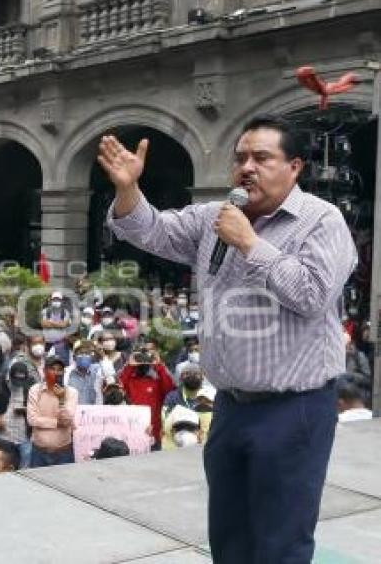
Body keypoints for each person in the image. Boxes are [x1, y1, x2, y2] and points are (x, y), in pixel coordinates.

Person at [100, 115, 357, 562]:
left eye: (262, 157)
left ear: (294, 166)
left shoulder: (321, 221)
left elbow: (312, 295)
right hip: (231, 407)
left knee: (281, 542)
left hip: (294, 410)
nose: (247, 167)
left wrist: (250, 244)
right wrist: (128, 189)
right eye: (240, 158)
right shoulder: (215, 217)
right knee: (229, 536)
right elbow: (151, 230)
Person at [118, 348, 175, 450]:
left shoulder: (157, 382)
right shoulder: (130, 380)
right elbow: (119, 387)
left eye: (146, 359)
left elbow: (169, 389)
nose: (143, 363)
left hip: (154, 431)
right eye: (140, 359)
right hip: (133, 430)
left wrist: (159, 365)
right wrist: (130, 366)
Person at [27, 357, 77, 468]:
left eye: (59, 369)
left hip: (63, 452)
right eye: (52, 369)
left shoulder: (71, 392)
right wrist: (56, 423)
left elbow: (67, 421)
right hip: (39, 452)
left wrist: (61, 400)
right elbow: (32, 419)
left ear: (63, 372)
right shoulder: (35, 390)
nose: (56, 372)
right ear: (45, 371)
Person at [63, 340, 103, 405]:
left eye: (87, 353)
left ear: (91, 357)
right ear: (74, 357)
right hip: (73, 412)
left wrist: (101, 356)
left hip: (94, 413)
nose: (84, 356)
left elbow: (109, 374)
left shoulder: (98, 370)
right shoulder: (66, 373)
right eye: (80, 353)